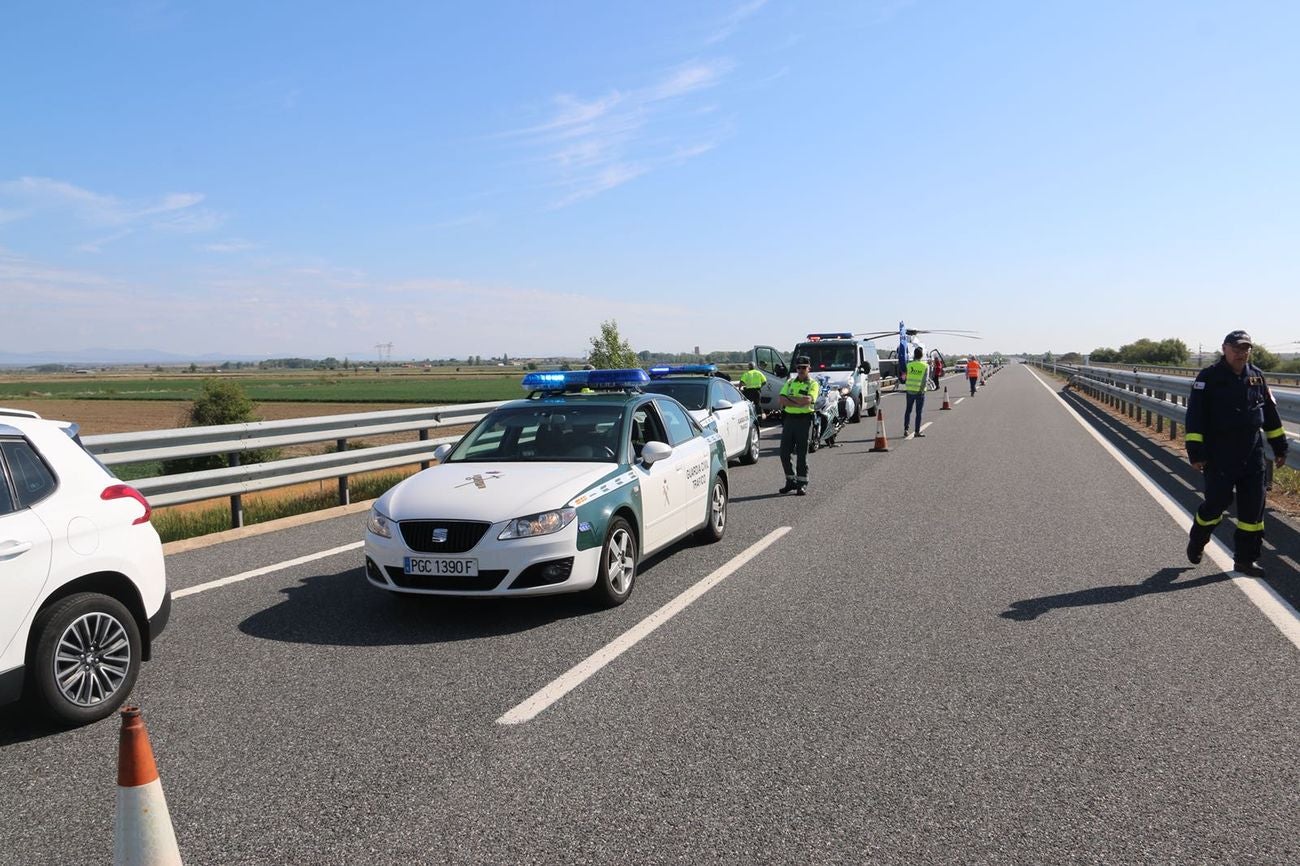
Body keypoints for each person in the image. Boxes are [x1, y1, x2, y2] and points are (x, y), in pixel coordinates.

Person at [1184, 330, 1289, 577]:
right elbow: (1195, 417)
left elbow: (1270, 416)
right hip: (1220, 455)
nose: (1241, 353)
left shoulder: (1257, 377)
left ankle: (1245, 560)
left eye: (1246, 349)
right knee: (1216, 505)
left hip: (1253, 455)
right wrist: (1196, 453)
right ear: (1224, 348)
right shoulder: (1208, 377)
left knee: (1253, 512)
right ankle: (1199, 537)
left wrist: (1280, 447)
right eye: (1237, 348)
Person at [778, 357, 819, 495]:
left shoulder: (813, 384)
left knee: (801, 454)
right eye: (799, 368)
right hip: (789, 420)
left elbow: (808, 400)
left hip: (804, 420)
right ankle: (791, 481)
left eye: (804, 367)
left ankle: (802, 483)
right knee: (784, 453)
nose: (801, 370)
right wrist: (798, 402)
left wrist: (791, 401)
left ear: (809, 368)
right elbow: (781, 399)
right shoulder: (790, 382)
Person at [902, 347, 929, 438]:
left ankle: (906, 429)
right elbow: (925, 380)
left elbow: (904, 377)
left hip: (909, 391)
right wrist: (921, 390)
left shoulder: (909, 365)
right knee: (918, 412)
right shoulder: (925, 366)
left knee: (908, 411)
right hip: (919, 393)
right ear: (921, 356)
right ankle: (917, 431)